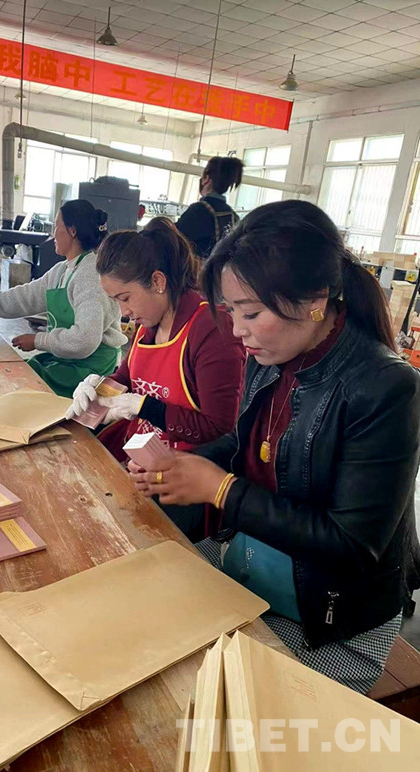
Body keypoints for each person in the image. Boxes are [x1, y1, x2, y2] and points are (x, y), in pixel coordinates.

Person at [129, 200, 420, 693]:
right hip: (253, 559)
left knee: (199, 691)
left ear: (316, 301)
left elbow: (352, 546)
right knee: (140, 610)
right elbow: (245, 442)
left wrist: (220, 490)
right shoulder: (271, 353)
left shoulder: (386, 388)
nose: (237, 331)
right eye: (231, 313)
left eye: (251, 313)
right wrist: (181, 465)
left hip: (331, 618)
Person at [66, 217, 246, 538]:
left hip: (183, 477)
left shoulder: (212, 330)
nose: (123, 312)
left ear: (158, 281)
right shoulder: (149, 323)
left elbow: (219, 428)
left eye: (125, 298)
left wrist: (144, 407)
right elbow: (126, 377)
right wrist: (98, 388)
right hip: (140, 459)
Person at [0, 200, 127, 397]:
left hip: (91, 371)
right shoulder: (62, 270)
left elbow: (84, 340)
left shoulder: (90, 276)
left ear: (72, 231)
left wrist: (39, 340)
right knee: (19, 374)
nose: (53, 234)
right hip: (67, 360)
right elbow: (25, 297)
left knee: (20, 385)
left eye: (56, 226)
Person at [176, 156, 243, 259]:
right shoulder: (234, 217)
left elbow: (174, 238)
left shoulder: (199, 210)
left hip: (198, 268)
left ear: (206, 179)